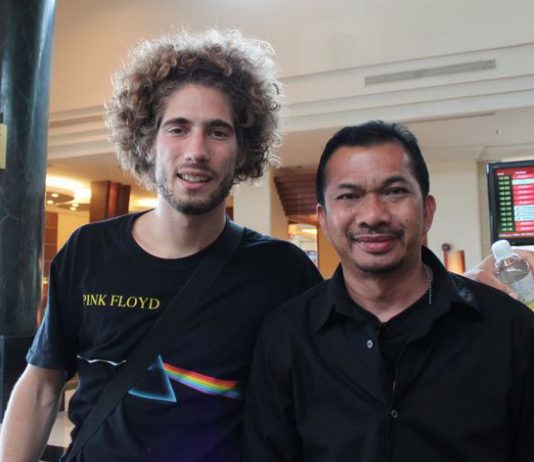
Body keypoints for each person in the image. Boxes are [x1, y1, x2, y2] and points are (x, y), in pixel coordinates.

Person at [0, 30, 322, 462]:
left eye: (218, 132)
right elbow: (41, 386)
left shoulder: (281, 271)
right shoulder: (88, 251)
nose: (196, 151)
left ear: (243, 151)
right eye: (178, 129)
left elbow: (320, 402)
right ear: (147, 143)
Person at [244, 120, 534, 462]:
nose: (373, 215)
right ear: (323, 219)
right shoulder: (287, 336)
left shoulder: (510, 329)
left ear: (427, 212)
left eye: (394, 191)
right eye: (349, 196)